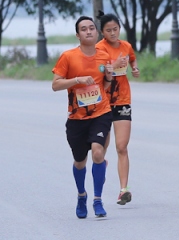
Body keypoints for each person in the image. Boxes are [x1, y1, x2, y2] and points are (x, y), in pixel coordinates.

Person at [52, 15, 115, 219]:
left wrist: (108, 77)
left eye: (91, 28)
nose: (88, 32)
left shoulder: (104, 56)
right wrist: (77, 80)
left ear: (97, 32)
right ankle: (82, 195)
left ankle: (97, 199)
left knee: (98, 153)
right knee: (80, 161)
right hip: (76, 118)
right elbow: (55, 85)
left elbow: (105, 86)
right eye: (84, 29)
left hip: (101, 112)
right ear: (77, 34)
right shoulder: (68, 57)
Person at [95, 13, 139, 206]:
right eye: (108, 30)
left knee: (121, 146)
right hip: (103, 101)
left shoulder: (126, 46)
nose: (113, 33)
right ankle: (100, 167)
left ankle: (123, 190)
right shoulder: (99, 49)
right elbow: (97, 71)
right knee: (101, 148)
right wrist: (113, 66)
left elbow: (132, 59)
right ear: (102, 32)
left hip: (122, 99)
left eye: (115, 29)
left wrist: (134, 69)